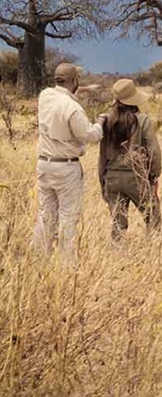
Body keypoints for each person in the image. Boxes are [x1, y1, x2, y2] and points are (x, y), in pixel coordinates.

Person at [33, 63, 105, 263]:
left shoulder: (45, 96)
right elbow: (89, 135)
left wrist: (86, 89)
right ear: (74, 81)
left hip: (44, 165)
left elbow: (64, 91)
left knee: (45, 214)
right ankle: (67, 265)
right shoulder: (73, 109)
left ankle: (38, 261)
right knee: (68, 217)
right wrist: (100, 122)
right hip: (66, 168)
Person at [99, 78, 162, 241]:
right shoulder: (142, 120)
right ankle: (154, 255)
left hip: (111, 177)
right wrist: (153, 175)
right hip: (136, 176)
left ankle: (116, 257)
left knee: (118, 224)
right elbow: (154, 151)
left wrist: (103, 182)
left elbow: (102, 156)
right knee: (153, 217)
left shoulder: (105, 121)